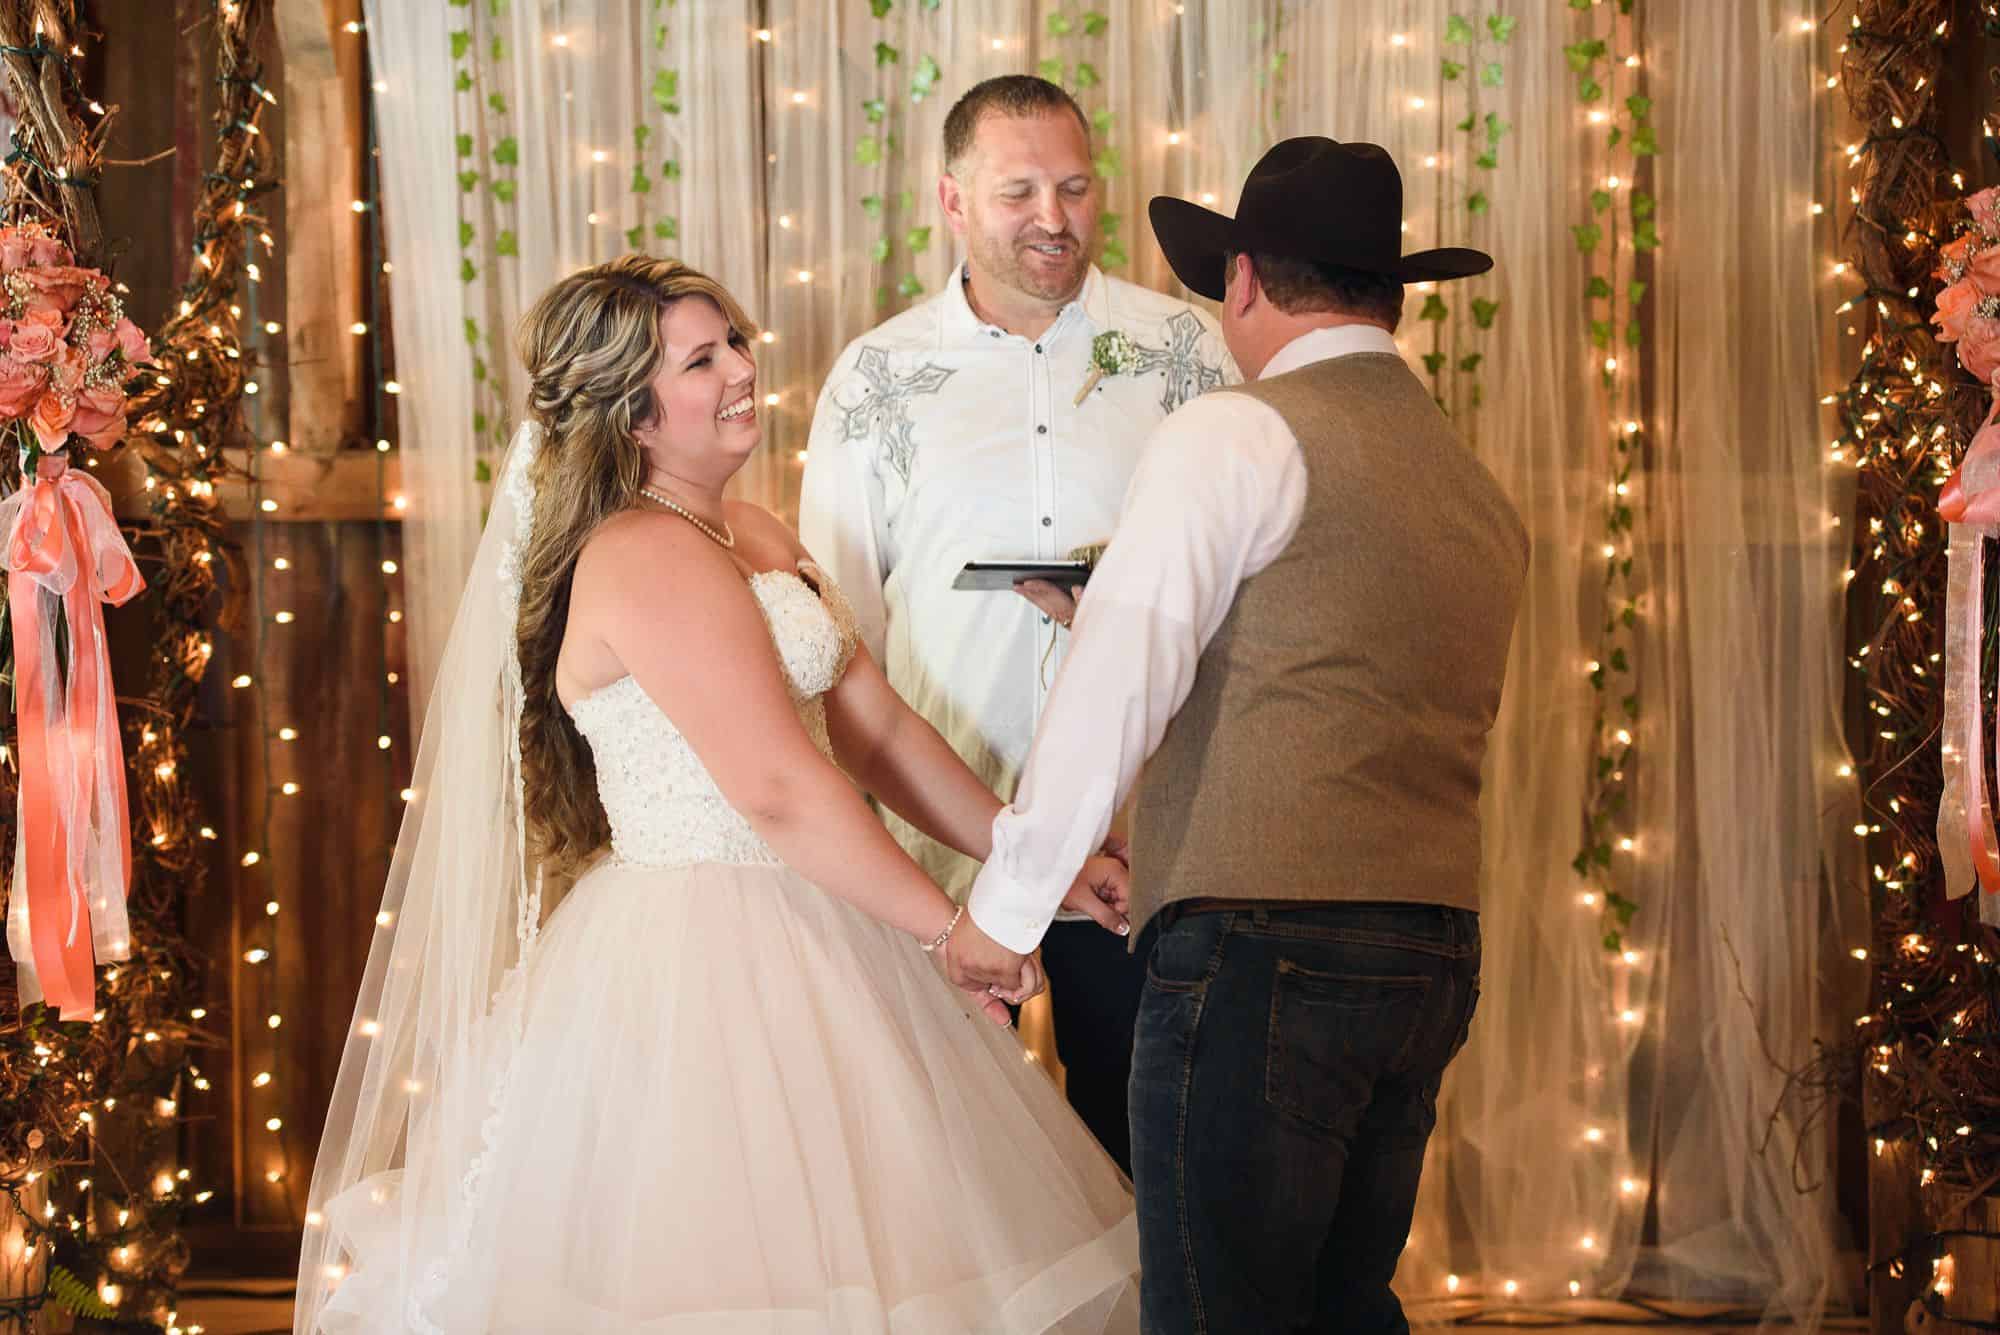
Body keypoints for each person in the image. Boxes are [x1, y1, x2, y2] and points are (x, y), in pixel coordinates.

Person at [294, 255, 1141, 1334]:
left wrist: (1040, 864)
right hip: (695, 960)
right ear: (633, 414)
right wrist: (950, 931)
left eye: (733, 341)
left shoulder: (756, 534)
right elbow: (776, 787)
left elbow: (878, 734)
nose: (743, 368)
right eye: (702, 361)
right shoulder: (639, 554)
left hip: (828, 920)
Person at [946, 139, 1530, 1333]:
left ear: (1246, 280)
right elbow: (1343, 672)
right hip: (1429, 953)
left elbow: (1117, 687)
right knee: (1340, 1307)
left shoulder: (1234, 433)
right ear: (1391, 296)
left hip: (1261, 951)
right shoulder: (1471, 485)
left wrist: (1001, 915)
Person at [799, 74, 1234, 1173]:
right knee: (945, 1172)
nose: (1054, 217)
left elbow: (1243, 592)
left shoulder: (1189, 353)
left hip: (1140, 846)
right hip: (939, 853)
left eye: (1075, 188)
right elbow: (838, 634)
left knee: (1146, 1161)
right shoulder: (876, 378)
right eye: (1018, 192)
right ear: (952, 200)